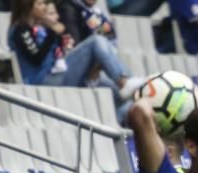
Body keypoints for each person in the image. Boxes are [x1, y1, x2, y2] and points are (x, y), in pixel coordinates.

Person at [8, 0, 142, 119]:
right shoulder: (20, 29)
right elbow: (36, 58)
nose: (44, 7)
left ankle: (120, 118)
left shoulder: (43, 27)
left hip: (60, 75)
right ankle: (124, 81)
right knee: (96, 42)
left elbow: (62, 53)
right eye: (40, 3)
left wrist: (90, 65)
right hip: (44, 80)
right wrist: (53, 32)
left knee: (120, 95)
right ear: (28, 7)